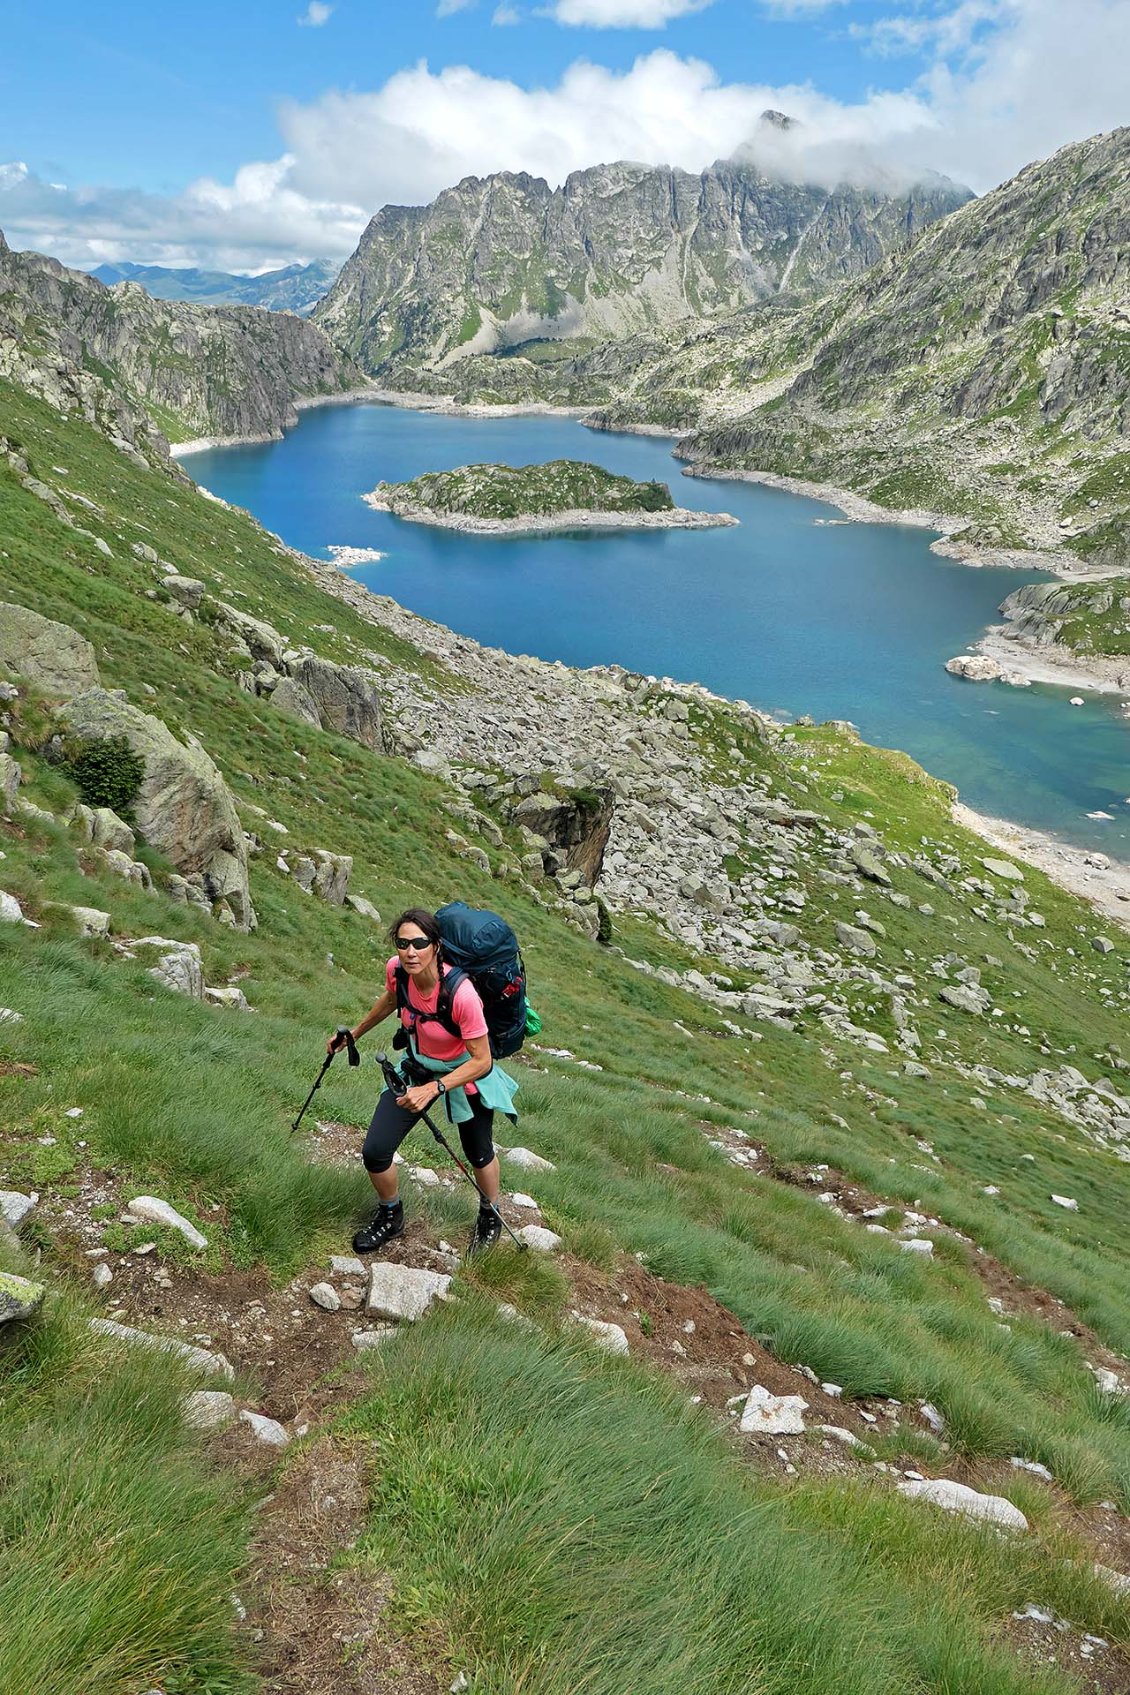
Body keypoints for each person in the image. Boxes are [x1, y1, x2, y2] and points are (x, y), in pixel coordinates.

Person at [330, 907, 519, 1256]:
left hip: (464, 1073)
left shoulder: (461, 994)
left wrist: (435, 1087)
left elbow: (483, 1060)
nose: (410, 951)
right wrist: (354, 1034)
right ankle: (391, 1214)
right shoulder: (398, 972)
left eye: (419, 943)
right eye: (403, 943)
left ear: (436, 946)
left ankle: (489, 1214)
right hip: (416, 1068)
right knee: (375, 1150)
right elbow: (391, 1000)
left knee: (479, 1153)